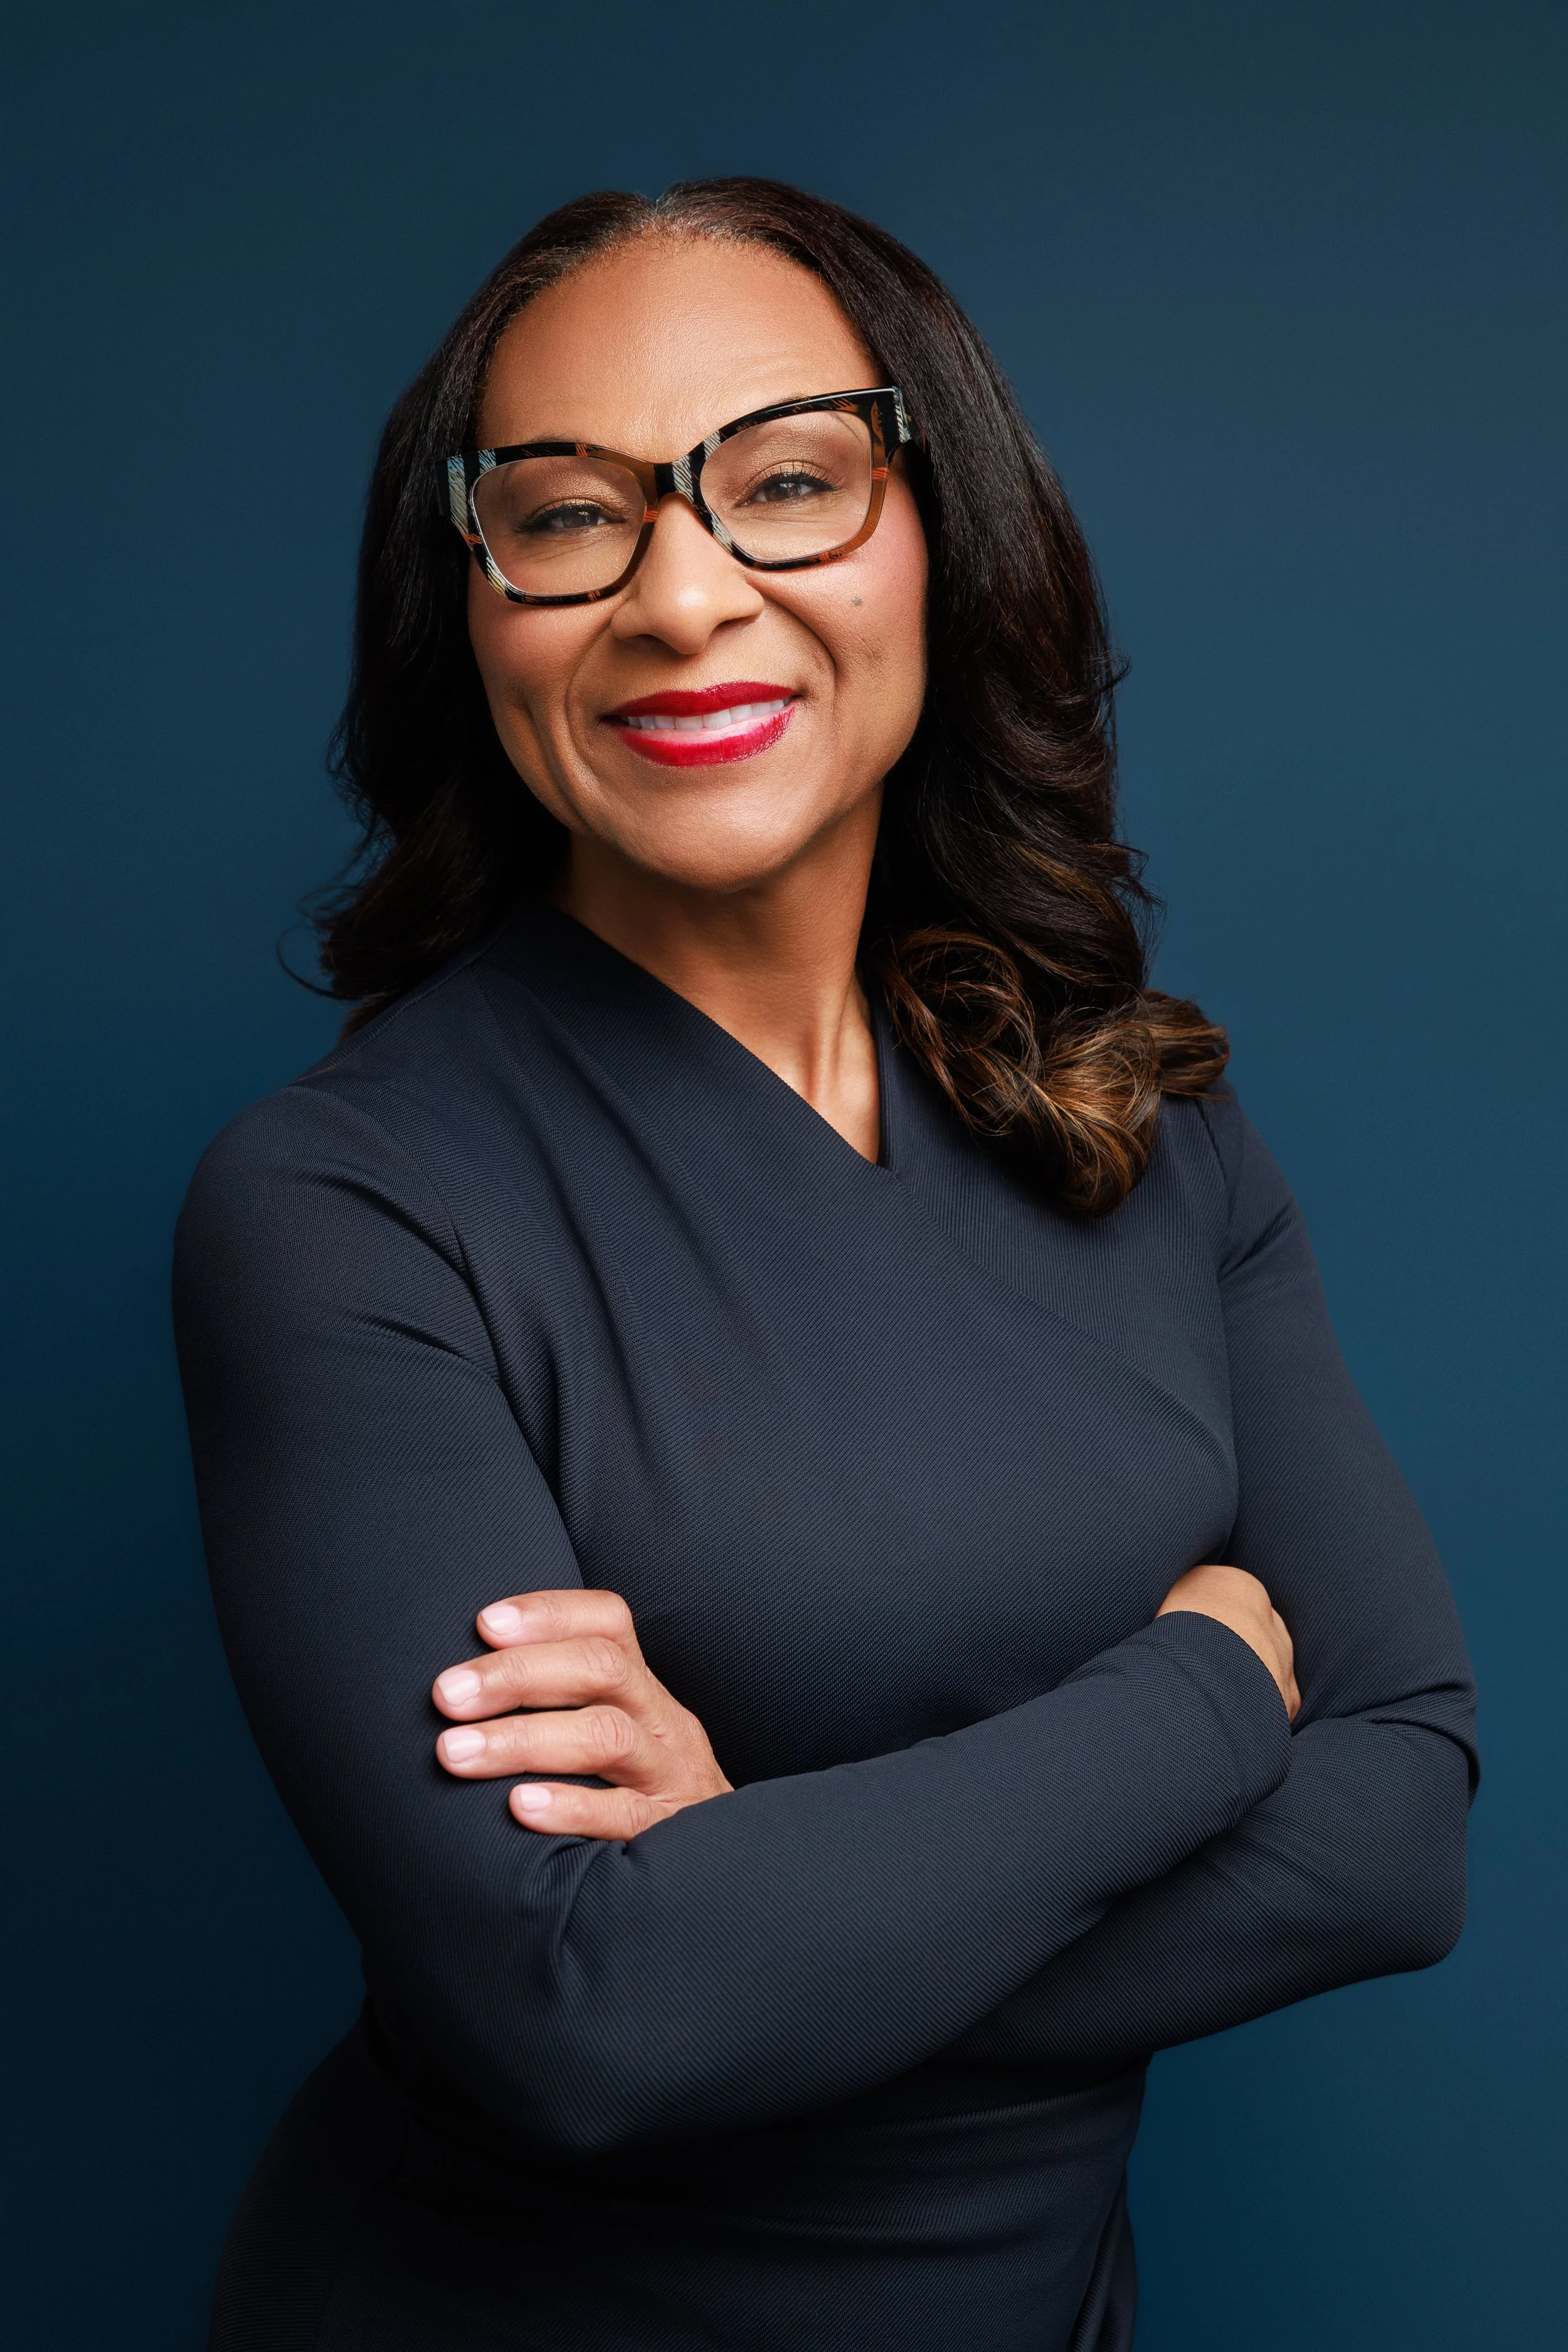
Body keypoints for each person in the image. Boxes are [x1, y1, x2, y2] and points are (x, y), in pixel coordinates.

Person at [173, 178, 1476, 2351]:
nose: (684, 594)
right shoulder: (341, 1202)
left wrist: (759, 1895)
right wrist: (1205, 1686)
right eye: (569, 514)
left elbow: (1395, 1827)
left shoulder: (1142, 1123)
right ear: (471, 603)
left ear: (941, 535)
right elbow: (580, 2016)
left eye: (786, 483)